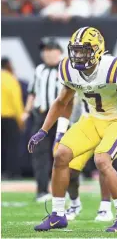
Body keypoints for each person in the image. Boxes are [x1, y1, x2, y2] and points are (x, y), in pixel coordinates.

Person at [28, 27, 117, 232]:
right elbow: (61, 102)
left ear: (98, 50)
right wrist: (43, 130)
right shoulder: (69, 68)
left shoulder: (112, 68)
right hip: (91, 119)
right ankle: (58, 215)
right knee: (61, 155)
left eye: (84, 50)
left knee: (102, 160)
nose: (78, 55)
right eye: (76, 50)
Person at [23, 38, 73, 202]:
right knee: (40, 154)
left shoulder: (66, 69)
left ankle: (63, 190)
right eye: (44, 50)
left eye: (50, 49)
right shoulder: (39, 70)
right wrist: (26, 111)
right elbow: (32, 92)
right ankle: (42, 190)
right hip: (41, 116)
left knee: (62, 154)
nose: (47, 53)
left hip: (61, 118)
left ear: (58, 51)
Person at [1, 57, 24, 178]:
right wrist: (21, 120)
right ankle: (11, 172)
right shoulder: (11, 79)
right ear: (8, 65)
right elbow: (16, 102)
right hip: (9, 117)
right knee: (11, 146)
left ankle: (2, 171)